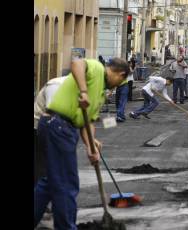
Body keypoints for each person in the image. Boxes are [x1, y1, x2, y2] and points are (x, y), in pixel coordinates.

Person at [34, 57, 129, 229]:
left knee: (51, 182)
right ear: (120, 74)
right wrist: (83, 91)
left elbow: (87, 123)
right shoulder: (97, 69)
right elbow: (77, 62)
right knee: (67, 183)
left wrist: (91, 147)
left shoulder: (100, 93)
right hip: (58, 125)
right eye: (120, 83)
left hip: (61, 127)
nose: (116, 87)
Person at [34, 76, 68, 187]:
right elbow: (52, 112)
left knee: (51, 165)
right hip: (39, 127)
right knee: (41, 164)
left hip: (56, 127)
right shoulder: (57, 85)